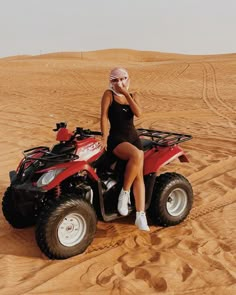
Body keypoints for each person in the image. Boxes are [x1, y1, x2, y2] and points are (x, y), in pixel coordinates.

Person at [100, 67, 150, 231]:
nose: (119, 82)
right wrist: (104, 138)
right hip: (117, 139)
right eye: (115, 80)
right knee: (137, 155)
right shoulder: (109, 95)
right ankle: (124, 193)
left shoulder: (133, 95)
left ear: (128, 79)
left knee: (139, 177)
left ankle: (140, 215)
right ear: (111, 81)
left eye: (122, 79)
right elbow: (103, 117)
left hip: (133, 138)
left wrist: (127, 94)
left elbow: (139, 113)